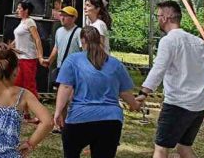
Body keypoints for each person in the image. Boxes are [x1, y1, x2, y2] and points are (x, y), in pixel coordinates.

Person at [136, 1, 204, 158]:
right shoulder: (199, 43)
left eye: (158, 15)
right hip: (199, 104)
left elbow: (158, 69)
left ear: (166, 17)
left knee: (161, 149)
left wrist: (143, 93)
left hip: (178, 104)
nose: (157, 19)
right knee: (184, 148)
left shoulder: (169, 41)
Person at [55, 26, 140, 157]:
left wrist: (58, 112)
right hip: (111, 119)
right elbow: (124, 92)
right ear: (100, 41)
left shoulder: (72, 60)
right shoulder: (116, 64)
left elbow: (65, 87)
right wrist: (134, 105)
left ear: (82, 41)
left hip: (79, 117)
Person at [10, 0, 44, 103]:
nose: (17, 10)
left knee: (29, 85)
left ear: (26, 10)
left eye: (19, 8)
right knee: (17, 83)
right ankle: (21, 108)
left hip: (28, 58)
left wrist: (40, 56)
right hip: (19, 57)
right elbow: (19, 37)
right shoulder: (22, 22)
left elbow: (37, 39)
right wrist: (11, 46)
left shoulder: (30, 22)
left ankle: (35, 108)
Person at [43, 6, 82, 76]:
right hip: (61, 68)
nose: (62, 18)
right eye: (61, 15)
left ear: (74, 18)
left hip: (74, 69)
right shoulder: (59, 31)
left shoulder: (79, 32)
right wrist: (49, 61)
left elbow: (84, 51)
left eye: (65, 16)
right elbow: (56, 48)